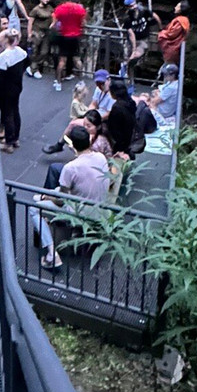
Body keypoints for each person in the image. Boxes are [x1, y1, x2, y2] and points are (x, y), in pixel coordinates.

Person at [30, 125, 111, 271]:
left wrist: (45, 197)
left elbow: (61, 200)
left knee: (34, 209)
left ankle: (51, 253)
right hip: (100, 207)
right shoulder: (101, 157)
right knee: (47, 194)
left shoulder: (71, 167)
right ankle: (42, 200)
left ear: (72, 145)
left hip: (79, 212)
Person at [0, 29, 28, 153]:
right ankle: (15, 138)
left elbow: (0, 78)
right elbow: (27, 63)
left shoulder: (3, 57)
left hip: (6, 88)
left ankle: (9, 141)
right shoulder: (21, 52)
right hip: (17, 85)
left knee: (7, 113)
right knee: (15, 110)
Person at [41, 81, 90, 155]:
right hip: (77, 117)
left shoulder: (79, 101)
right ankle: (63, 144)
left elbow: (83, 108)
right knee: (71, 130)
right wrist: (88, 111)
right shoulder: (75, 102)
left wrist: (88, 110)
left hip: (81, 118)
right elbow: (79, 112)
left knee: (70, 131)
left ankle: (62, 144)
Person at [51, 0, 87, 91]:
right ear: (78, 2)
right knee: (77, 59)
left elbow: (54, 21)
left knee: (62, 60)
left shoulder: (61, 8)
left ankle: (58, 83)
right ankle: (81, 80)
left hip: (64, 36)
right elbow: (83, 23)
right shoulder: (80, 10)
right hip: (75, 37)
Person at [123, 0, 161, 76]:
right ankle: (128, 77)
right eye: (131, 6)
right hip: (131, 41)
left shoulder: (144, 11)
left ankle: (128, 67)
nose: (133, 7)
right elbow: (131, 35)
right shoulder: (127, 18)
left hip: (143, 40)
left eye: (134, 5)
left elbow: (156, 17)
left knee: (135, 56)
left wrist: (160, 28)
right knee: (128, 58)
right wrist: (133, 49)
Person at [107, 78, 139, 158]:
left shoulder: (117, 107)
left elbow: (113, 127)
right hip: (130, 133)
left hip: (121, 139)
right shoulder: (131, 102)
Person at [26, 0, 54, 78]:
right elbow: (30, 22)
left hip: (46, 32)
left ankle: (32, 67)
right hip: (37, 31)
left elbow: (54, 16)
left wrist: (52, 24)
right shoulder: (36, 10)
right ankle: (34, 69)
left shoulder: (49, 8)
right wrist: (29, 33)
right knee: (35, 51)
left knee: (44, 51)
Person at [157, 0, 191, 65]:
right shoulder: (181, 19)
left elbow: (171, 34)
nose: (175, 8)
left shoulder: (181, 21)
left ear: (181, 9)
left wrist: (162, 33)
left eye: (177, 7)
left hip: (174, 46)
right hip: (176, 46)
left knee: (170, 65)